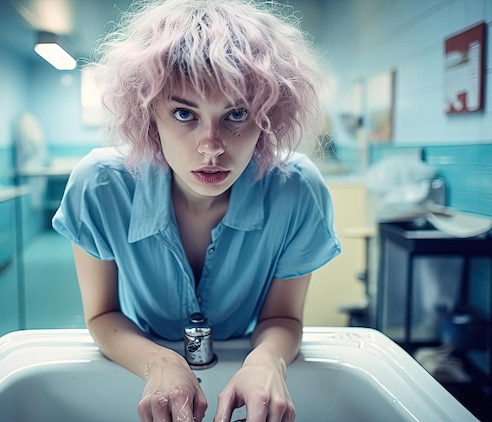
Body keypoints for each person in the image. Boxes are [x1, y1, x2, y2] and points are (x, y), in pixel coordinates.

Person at [52, 0, 340, 420]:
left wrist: (266, 361)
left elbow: (282, 316)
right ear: (148, 113)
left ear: (267, 116)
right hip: (141, 359)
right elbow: (103, 314)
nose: (212, 145)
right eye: (184, 113)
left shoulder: (296, 189)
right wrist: (161, 363)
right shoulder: (100, 185)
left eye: (236, 114)